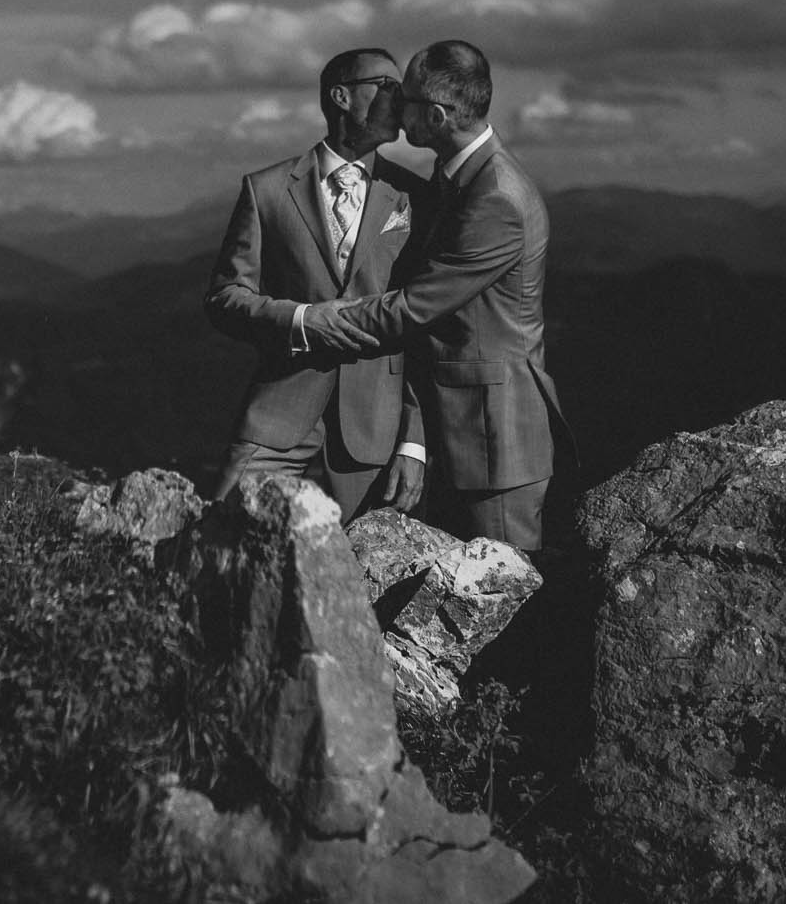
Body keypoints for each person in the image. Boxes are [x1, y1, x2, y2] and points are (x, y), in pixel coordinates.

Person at [303, 39, 573, 550]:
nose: (394, 106)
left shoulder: (495, 196)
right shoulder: (457, 177)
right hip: (468, 432)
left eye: (403, 97)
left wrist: (321, 319)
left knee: (506, 600)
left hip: (497, 439)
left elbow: (416, 305)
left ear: (437, 116)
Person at [203, 46, 432, 522]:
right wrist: (303, 320)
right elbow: (225, 298)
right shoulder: (265, 189)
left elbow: (425, 326)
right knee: (218, 542)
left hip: (377, 428)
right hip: (277, 417)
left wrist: (413, 440)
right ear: (341, 96)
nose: (401, 96)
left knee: (371, 580)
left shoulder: (416, 195)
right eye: (386, 85)